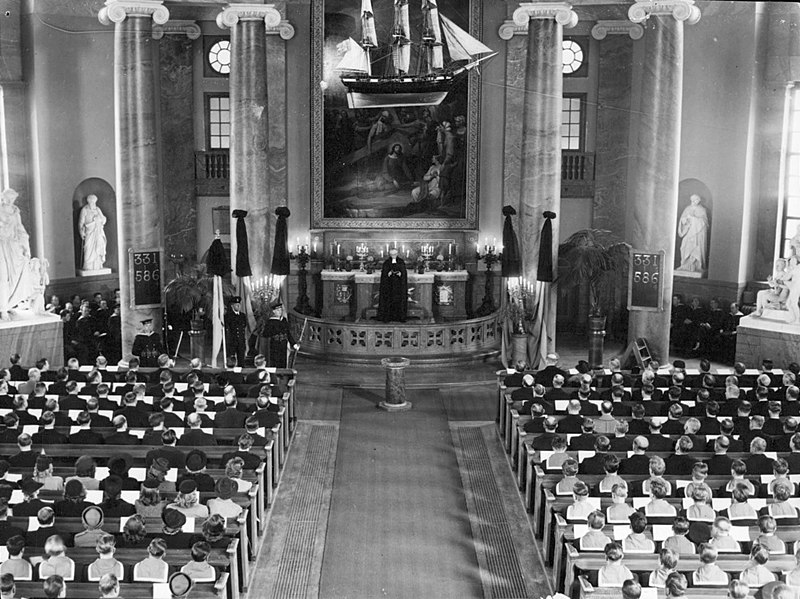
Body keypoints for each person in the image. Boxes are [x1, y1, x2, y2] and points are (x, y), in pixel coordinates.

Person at [676, 193, 709, 273]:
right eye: (693, 200)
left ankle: (696, 265)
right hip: (688, 232)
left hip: (697, 234)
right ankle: (685, 265)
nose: (694, 201)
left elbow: (704, 222)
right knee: (684, 246)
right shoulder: (687, 209)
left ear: (699, 200)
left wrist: (693, 219)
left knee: (696, 249)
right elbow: (682, 220)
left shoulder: (702, 210)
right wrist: (684, 221)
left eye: (696, 200)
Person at [259, 300, 297, 368]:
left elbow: (288, 333)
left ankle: (283, 375)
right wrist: (275, 331)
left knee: (283, 362)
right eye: (278, 310)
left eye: (281, 310)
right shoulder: (270, 322)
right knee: (275, 362)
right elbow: (265, 334)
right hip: (275, 345)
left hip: (283, 344)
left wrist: (294, 344)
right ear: (274, 311)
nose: (280, 312)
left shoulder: (284, 320)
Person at [377, 247, 408, 323]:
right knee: (388, 300)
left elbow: (404, 273)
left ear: (397, 254)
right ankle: (388, 317)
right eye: (391, 254)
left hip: (399, 287)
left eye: (394, 254)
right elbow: (383, 274)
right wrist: (387, 274)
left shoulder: (401, 262)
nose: (393, 256)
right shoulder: (387, 262)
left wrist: (401, 274)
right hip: (389, 286)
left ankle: (400, 317)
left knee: (399, 300)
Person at [78, 194, 107, 271]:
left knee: (98, 248)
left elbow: (103, 219)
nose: (92, 203)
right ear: (88, 201)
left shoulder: (97, 209)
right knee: (88, 249)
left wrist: (99, 219)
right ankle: (88, 266)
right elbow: (81, 222)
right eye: (91, 201)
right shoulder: (84, 210)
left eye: (93, 202)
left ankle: (98, 265)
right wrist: (81, 232)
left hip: (97, 232)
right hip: (89, 232)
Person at [225, 296, 247, 367]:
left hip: (241, 341)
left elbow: (244, 327)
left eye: (239, 304)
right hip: (232, 341)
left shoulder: (243, 316)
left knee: (241, 360)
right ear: (232, 306)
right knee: (231, 360)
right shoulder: (228, 316)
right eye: (236, 304)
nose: (238, 306)